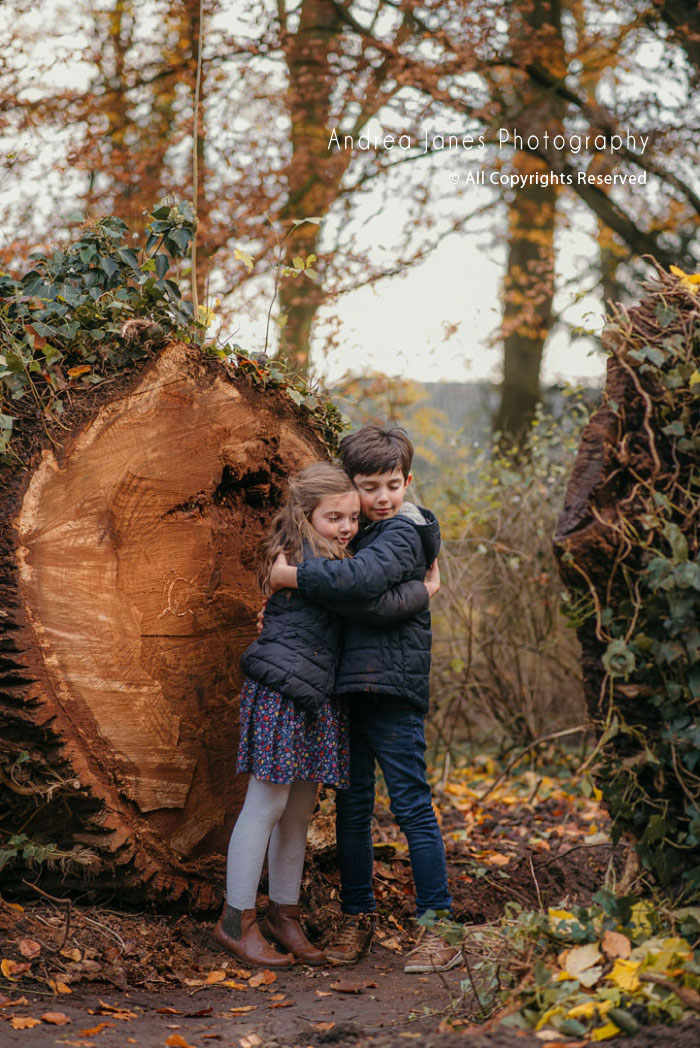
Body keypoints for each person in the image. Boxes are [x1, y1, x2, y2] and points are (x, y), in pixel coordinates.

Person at [214, 461, 437, 968]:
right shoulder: (301, 558)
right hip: (284, 694)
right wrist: (425, 590)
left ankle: (283, 915)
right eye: (334, 517)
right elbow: (366, 598)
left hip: (320, 698)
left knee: (297, 813)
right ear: (304, 515)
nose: (347, 527)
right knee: (265, 806)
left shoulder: (335, 557)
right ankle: (236, 920)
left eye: (353, 519)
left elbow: (363, 590)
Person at [269, 425, 461, 974]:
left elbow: (356, 589)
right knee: (353, 810)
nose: (382, 498)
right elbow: (354, 597)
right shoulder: (354, 530)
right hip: (350, 689)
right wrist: (417, 594)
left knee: (410, 805)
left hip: (391, 690)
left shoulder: (403, 530)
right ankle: (358, 916)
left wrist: (292, 577)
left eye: (393, 484)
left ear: (409, 482)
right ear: (351, 484)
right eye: (370, 486)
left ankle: (439, 927)